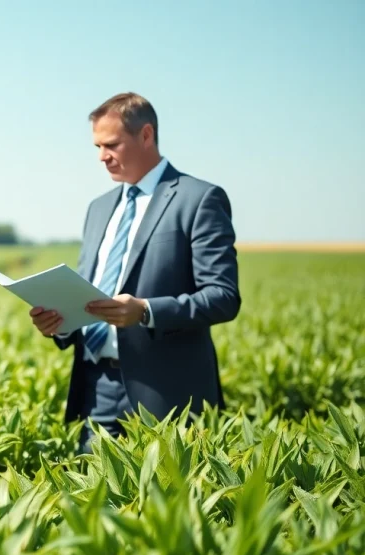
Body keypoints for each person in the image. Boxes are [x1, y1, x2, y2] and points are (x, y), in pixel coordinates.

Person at [29, 92, 241, 453]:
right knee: (92, 502)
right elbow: (87, 290)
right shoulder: (98, 209)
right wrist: (59, 322)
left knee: (168, 506)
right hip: (97, 390)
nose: (102, 157)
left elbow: (223, 296)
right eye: (97, 146)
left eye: (111, 144)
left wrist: (145, 311)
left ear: (146, 135)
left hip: (170, 395)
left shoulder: (199, 199)